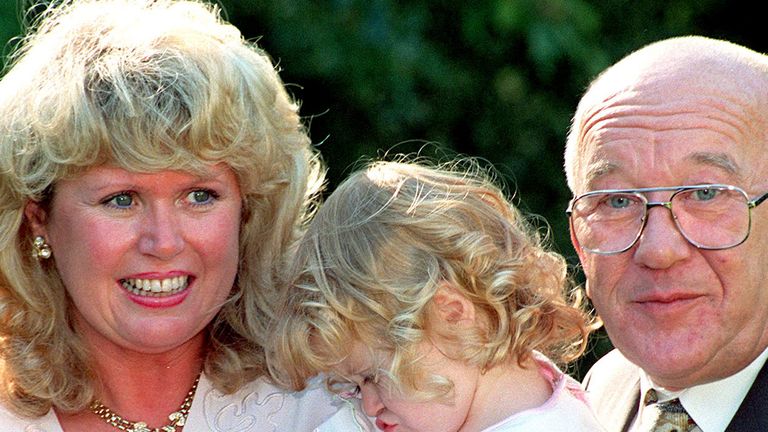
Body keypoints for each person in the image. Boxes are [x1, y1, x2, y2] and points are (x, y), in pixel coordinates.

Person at [0, 1, 370, 430]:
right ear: (38, 217)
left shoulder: (343, 400)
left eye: (199, 196)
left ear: (248, 210)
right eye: (121, 200)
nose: (164, 242)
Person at [267, 160, 604, 431]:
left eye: (373, 378)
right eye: (353, 387)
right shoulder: (436, 409)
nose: (368, 406)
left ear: (452, 315)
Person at [565, 35, 768, 432]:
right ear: (578, 241)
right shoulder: (596, 395)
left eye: (705, 194)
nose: (658, 250)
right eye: (618, 200)